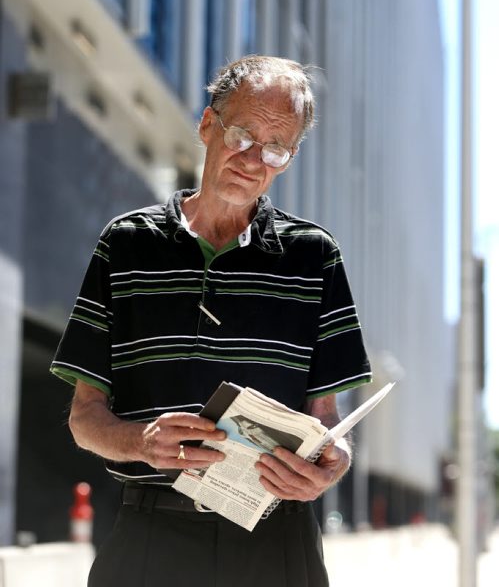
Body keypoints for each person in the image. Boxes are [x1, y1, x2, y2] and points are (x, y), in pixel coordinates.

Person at [51, 55, 372, 587]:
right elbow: (84, 419)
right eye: (243, 134)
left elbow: (328, 425)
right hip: (150, 540)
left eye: (276, 149)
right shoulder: (125, 245)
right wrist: (141, 443)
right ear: (207, 124)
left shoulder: (315, 257)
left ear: (288, 159)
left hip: (277, 546)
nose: (253, 160)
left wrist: (328, 467)